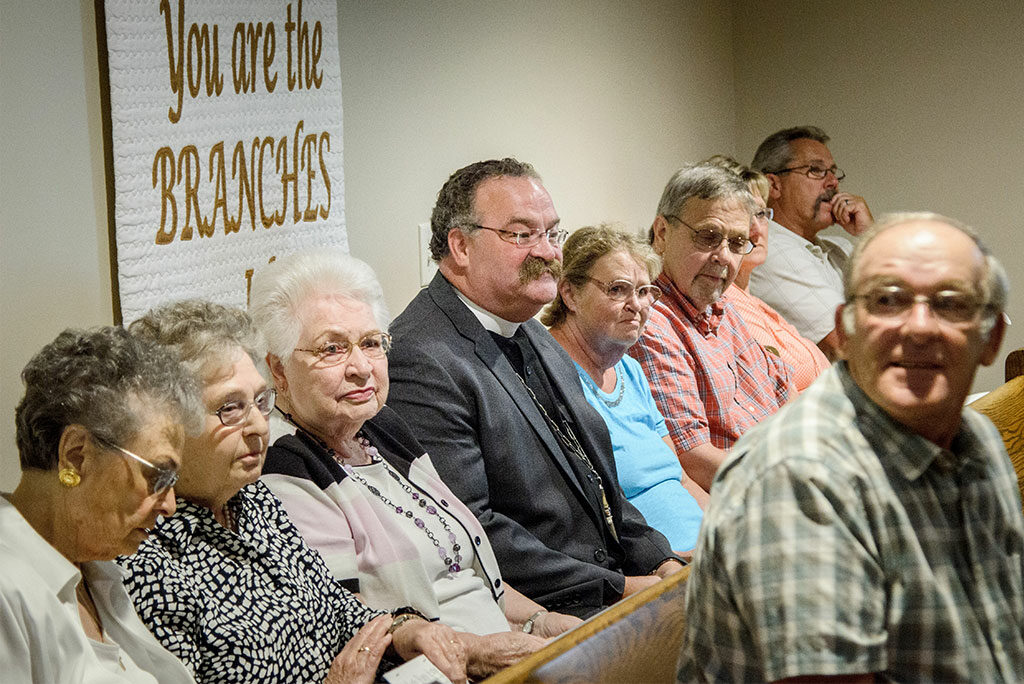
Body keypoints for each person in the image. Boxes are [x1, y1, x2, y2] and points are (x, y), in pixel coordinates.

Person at [680, 213, 1024, 681]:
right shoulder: (801, 476)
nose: (918, 328)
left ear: (992, 338)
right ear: (843, 331)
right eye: (887, 301)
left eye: (950, 304)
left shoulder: (978, 440)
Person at [249, 250, 576, 679]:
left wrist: (539, 620)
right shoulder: (284, 466)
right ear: (278, 370)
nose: (361, 368)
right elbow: (345, 621)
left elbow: (462, 568)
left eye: (370, 343)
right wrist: (479, 653)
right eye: (332, 348)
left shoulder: (382, 428)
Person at [387, 158, 682, 619]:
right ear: (460, 245)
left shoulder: (525, 324)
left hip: (613, 584)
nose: (546, 252)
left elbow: (596, 479)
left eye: (551, 233)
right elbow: (471, 531)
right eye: (522, 235)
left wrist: (659, 560)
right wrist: (623, 587)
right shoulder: (420, 358)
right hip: (546, 615)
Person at [120, 301, 467, 684]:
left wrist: (405, 631)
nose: (258, 426)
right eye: (230, 408)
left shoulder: (252, 501)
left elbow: (336, 607)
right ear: (166, 425)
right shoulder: (144, 553)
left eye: (260, 401)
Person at [1, 326, 200, 683]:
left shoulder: (97, 571)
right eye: (159, 476)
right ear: (76, 456)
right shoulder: (8, 587)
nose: (170, 505)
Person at [543, 224, 708, 555]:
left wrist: (730, 529)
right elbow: (586, 520)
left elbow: (682, 480)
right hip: (655, 568)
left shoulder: (630, 371)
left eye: (645, 291)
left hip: (703, 554)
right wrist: (676, 560)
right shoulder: (547, 375)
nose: (637, 304)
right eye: (618, 289)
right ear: (570, 293)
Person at [630, 163, 793, 492]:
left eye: (736, 244)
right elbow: (692, 457)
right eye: (709, 237)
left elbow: (782, 390)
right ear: (661, 233)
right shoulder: (652, 323)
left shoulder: (723, 308)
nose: (723, 257)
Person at [706, 154, 831, 392]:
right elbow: (773, 395)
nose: (755, 228)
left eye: (761, 214)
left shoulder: (758, 305)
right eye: (742, 215)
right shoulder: (721, 304)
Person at [749, 125, 874, 359]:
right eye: (816, 171)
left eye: (833, 172)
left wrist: (871, 234)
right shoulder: (769, 250)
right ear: (773, 185)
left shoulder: (841, 247)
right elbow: (848, 344)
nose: (833, 183)